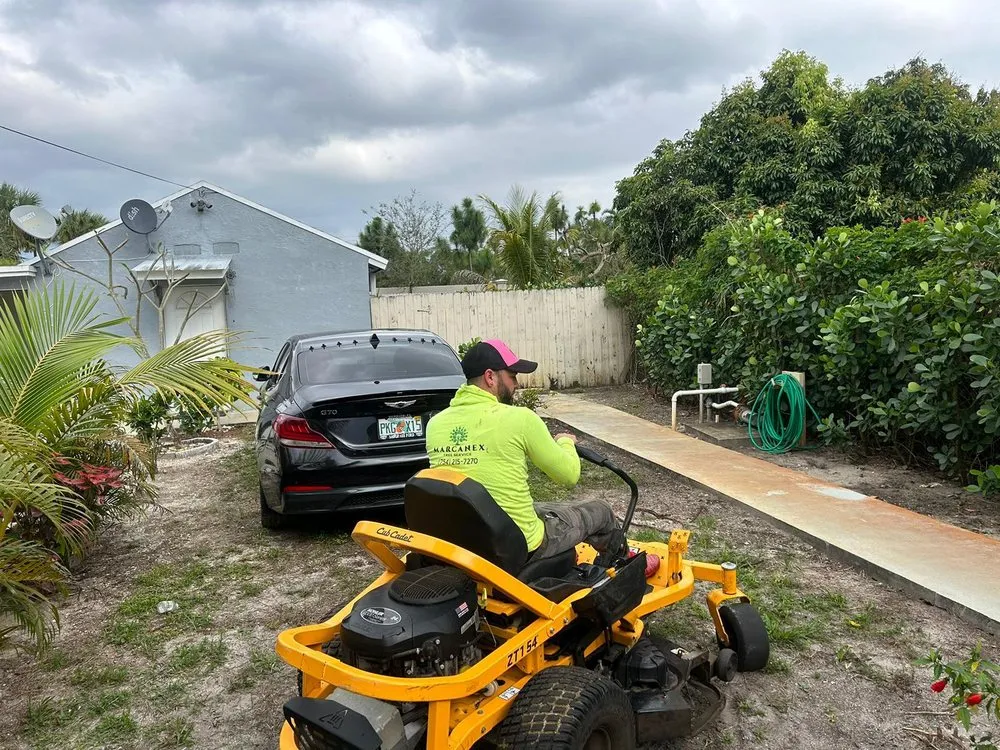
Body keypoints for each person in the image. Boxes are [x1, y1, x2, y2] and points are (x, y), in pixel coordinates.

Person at [426, 338, 657, 574]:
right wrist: (566, 442)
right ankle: (623, 566)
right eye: (512, 376)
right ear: (490, 377)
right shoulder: (520, 419)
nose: (516, 384)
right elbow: (568, 475)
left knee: (539, 507)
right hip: (521, 546)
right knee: (601, 510)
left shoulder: (435, 425)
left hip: (467, 541)